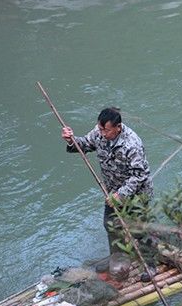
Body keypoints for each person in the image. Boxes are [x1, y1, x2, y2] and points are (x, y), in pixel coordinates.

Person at [61, 107, 156, 280]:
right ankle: (119, 261)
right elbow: (84, 145)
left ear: (118, 127)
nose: (103, 134)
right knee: (111, 225)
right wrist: (71, 140)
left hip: (137, 194)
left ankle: (150, 265)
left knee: (139, 231)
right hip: (112, 190)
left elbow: (139, 175)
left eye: (107, 130)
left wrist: (121, 195)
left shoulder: (132, 144)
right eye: (101, 129)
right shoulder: (99, 132)